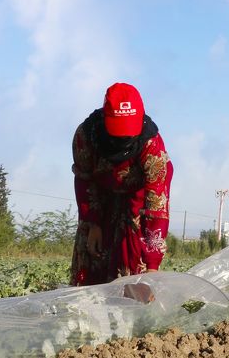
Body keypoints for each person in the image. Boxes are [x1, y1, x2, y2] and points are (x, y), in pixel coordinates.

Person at [71, 83, 173, 286]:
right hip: (99, 198)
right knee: (92, 254)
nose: (125, 137)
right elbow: (84, 180)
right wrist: (93, 223)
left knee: (137, 270)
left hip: (136, 203)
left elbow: (156, 204)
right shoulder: (86, 136)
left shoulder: (151, 146)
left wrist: (152, 264)